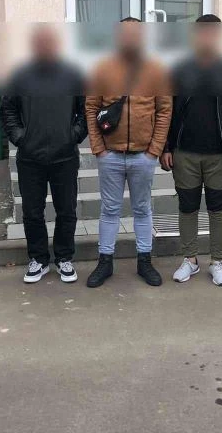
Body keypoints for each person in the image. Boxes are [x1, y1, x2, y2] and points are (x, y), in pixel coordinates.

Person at [160, 14, 222, 286]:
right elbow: (168, 111)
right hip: (185, 153)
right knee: (187, 206)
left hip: (220, 155)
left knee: (218, 208)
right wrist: (166, 147)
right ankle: (190, 260)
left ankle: (217, 261)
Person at [84, 17, 172, 288]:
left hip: (143, 155)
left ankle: (144, 260)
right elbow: (91, 107)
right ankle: (105, 261)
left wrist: (154, 150)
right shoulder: (102, 68)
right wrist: (98, 148)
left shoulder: (156, 69)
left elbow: (164, 110)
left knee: (142, 209)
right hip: (110, 154)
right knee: (109, 209)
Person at [1, 25, 87, 283]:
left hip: (65, 157)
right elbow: (8, 110)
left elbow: (85, 111)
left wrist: (73, 136)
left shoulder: (73, 74)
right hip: (30, 158)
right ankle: (38, 259)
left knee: (66, 211)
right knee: (32, 212)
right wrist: (20, 138)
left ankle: (64, 258)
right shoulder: (19, 75)